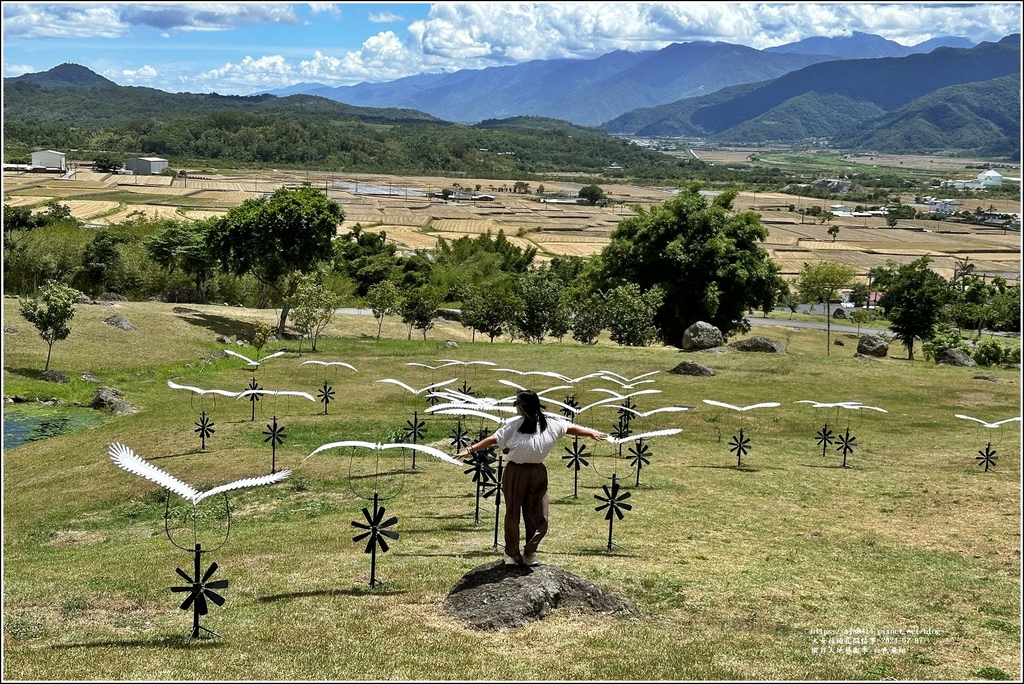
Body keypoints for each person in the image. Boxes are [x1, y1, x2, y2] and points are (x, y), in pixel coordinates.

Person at [457, 389, 606, 566]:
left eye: (516, 404)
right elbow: (493, 439)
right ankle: (512, 553)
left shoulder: (549, 424)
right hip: (515, 471)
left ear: (523, 406)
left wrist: (589, 433)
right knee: (513, 512)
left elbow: (569, 428)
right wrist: (469, 450)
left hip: (537, 472)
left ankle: (530, 551)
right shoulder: (514, 426)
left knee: (539, 513)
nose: (515, 407)